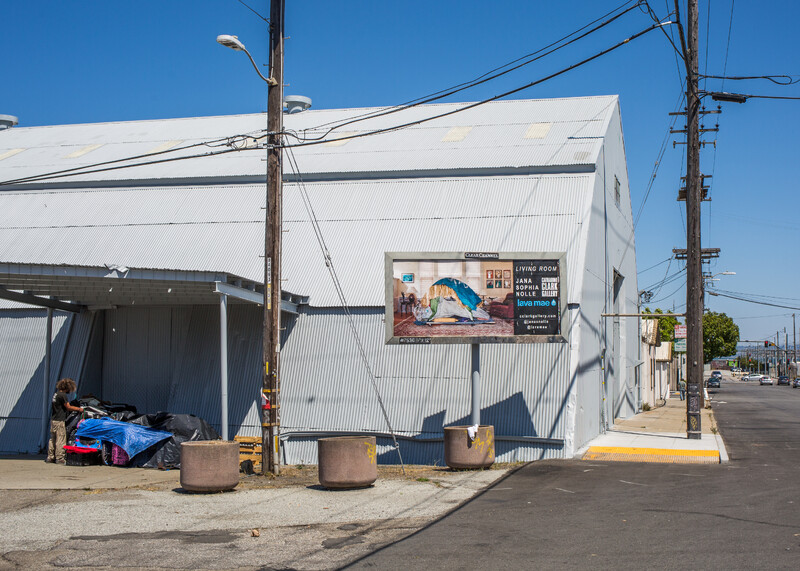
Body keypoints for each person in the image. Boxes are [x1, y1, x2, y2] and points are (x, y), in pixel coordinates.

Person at [46, 378, 84, 464]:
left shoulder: (56, 394)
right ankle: (60, 458)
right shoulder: (63, 396)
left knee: (52, 439)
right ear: (67, 388)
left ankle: (50, 456)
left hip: (53, 419)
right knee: (61, 438)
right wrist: (79, 409)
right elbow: (68, 407)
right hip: (59, 420)